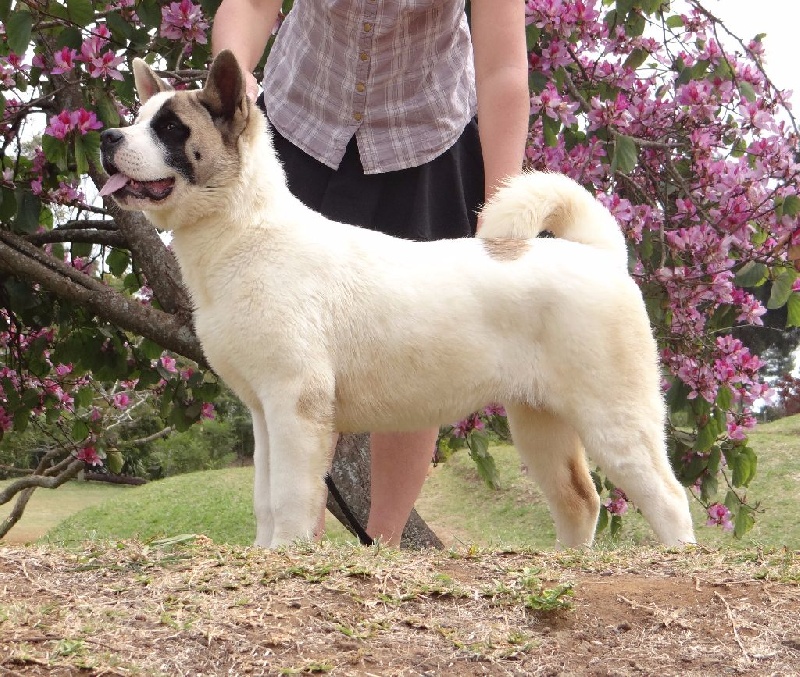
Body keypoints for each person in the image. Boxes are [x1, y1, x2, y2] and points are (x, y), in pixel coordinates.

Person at [211, 0, 529, 546]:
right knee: (291, 353)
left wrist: (503, 209)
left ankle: (380, 550)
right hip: (301, 126)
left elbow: (502, 68)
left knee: (417, 343)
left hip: (425, 137)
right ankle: (295, 547)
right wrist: (231, 75)